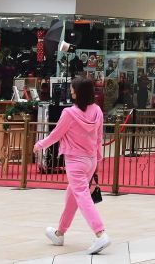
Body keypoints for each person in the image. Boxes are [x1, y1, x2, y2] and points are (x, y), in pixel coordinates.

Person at [34, 76, 110, 255]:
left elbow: (56, 134)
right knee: (73, 196)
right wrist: (98, 160)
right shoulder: (97, 111)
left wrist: (40, 145)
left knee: (82, 196)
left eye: (73, 89)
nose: (71, 91)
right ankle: (59, 233)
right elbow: (99, 138)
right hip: (90, 160)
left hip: (75, 161)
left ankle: (100, 234)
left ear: (78, 93)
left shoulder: (69, 113)